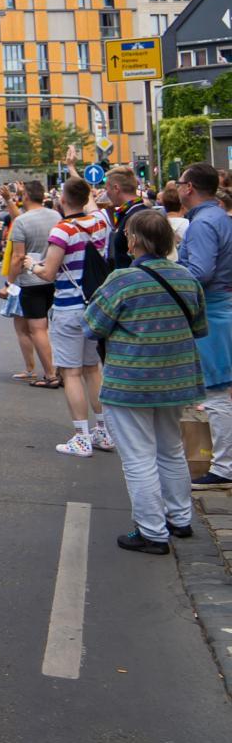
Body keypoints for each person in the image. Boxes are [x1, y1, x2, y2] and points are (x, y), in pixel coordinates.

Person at [83, 210, 207, 553]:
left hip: (131, 380)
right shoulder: (186, 278)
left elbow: (92, 327)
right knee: (170, 450)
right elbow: (198, 328)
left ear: (133, 240)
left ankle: (152, 531)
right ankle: (180, 520)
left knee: (138, 457)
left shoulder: (122, 280)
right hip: (175, 379)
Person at [27, 178, 113, 458]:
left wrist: (32, 265)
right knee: (92, 369)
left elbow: (49, 272)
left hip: (68, 307)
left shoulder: (62, 230)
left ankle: (81, 436)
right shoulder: (100, 223)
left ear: (62, 200)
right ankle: (103, 430)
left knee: (71, 372)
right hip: (94, 306)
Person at [175, 162, 232, 486]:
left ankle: (223, 467)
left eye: (181, 181)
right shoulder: (219, 217)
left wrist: (171, 280)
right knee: (218, 389)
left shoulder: (203, 223)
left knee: (215, 392)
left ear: (189, 188)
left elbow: (200, 272)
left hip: (210, 312)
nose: (179, 186)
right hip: (220, 308)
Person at [3, 181, 60, 389]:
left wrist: (8, 284)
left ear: (25, 196)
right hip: (54, 277)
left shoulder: (21, 222)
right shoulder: (56, 216)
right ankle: (62, 370)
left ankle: (50, 375)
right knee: (55, 327)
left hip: (31, 281)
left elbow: (18, 257)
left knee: (38, 329)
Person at [104, 167, 149, 273]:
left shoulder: (136, 217)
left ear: (116, 188)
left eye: (107, 189)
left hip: (133, 283)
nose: (106, 193)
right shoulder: (134, 212)